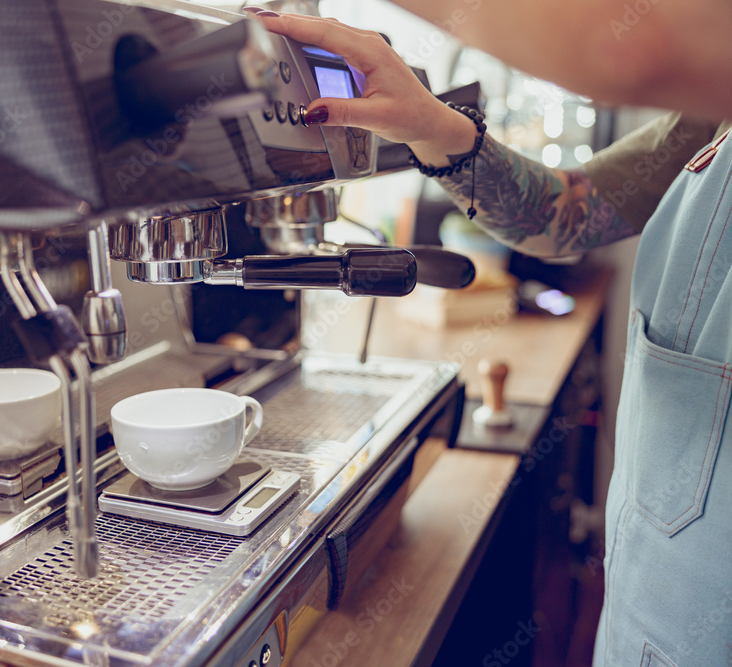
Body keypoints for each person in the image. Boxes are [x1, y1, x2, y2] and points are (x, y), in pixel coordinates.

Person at [248, 9, 732, 667]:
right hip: (649, 606)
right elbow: (567, 214)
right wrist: (430, 125)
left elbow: (627, 46)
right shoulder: (711, 117)